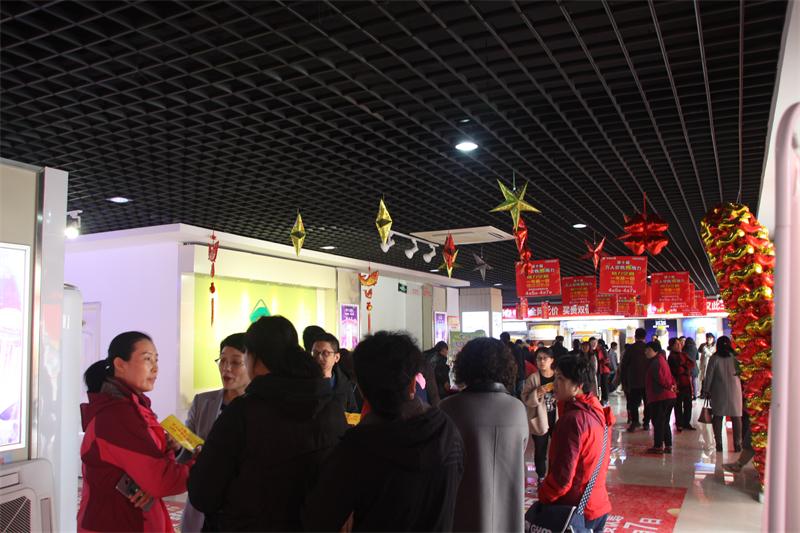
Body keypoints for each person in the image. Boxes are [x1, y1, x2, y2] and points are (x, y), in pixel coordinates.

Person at [188, 316, 348, 531]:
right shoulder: (331, 407)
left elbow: (203, 494)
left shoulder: (243, 413)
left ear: (255, 358)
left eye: (240, 359)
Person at [303, 332, 464, 531]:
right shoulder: (446, 429)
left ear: (361, 388)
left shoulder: (358, 447)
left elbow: (319, 517)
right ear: (413, 384)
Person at [78, 332, 191, 532]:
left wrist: (168, 449)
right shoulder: (117, 416)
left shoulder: (135, 407)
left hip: (137, 518)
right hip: (118, 523)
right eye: (147, 359)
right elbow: (161, 480)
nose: (155, 368)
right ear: (120, 364)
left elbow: (146, 464)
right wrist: (199, 465)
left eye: (156, 360)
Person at [438, 338, 527, 532]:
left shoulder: (448, 408)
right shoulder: (517, 409)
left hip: (463, 511)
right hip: (508, 514)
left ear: (464, 366)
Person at [180, 333, 250, 533]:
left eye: (235, 362)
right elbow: (186, 450)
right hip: (203, 502)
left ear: (252, 364)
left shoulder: (259, 409)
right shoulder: (203, 402)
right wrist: (177, 446)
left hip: (238, 507)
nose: (226, 368)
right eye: (222, 360)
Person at [538, 354, 613, 532]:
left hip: (573, 511)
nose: (554, 384)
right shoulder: (597, 412)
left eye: (561, 379)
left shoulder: (572, 420)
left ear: (578, 385)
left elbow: (562, 479)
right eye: (555, 378)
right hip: (597, 504)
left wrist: (543, 496)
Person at [522, 347, 558, 483]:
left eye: (545, 358)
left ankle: (554, 475)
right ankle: (541, 476)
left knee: (558, 449)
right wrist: (537, 392)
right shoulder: (533, 379)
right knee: (540, 450)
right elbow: (525, 398)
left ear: (551, 360)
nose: (542, 361)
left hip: (556, 418)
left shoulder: (558, 377)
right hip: (539, 419)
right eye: (539, 359)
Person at [701, 336, 743, 453]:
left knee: (718, 417)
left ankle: (719, 443)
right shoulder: (735, 357)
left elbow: (709, 375)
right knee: (736, 417)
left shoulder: (714, 358)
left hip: (718, 390)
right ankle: (737, 443)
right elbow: (742, 373)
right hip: (735, 390)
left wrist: (706, 390)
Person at [312, 332, 359, 413]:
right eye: (315, 353)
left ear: (336, 357)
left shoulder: (344, 384)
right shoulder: (305, 383)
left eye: (325, 353)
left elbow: (353, 412)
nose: (319, 357)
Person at [644, 341, 677, 454]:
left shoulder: (656, 362)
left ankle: (658, 446)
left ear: (656, 351)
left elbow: (662, 379)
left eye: (648, 350)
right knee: (664, 422)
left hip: (660, 396)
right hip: (667, 396)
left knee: (658, 422)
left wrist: (669, 386)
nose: (646, 352)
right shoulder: (661, 360)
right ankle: (668, 445)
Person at [619, 328, 650, 432]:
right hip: (647, 382)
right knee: (647, 403)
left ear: (635, 336)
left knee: (633, 404)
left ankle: (635, 422)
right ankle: (646, 423)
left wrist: (624, 382)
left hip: (633, 381)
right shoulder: (648, 348)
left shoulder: (630, 349)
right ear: (645, 336)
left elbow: (624, 366)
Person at [667, 337, 695, 432]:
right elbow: (677, 370)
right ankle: (679, 423)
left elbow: (691, 364)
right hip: (678, 384)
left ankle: (687, 422)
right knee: (678, 405)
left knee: (688, 404)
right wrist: (684, 367)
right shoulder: (671, 357)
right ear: (672, 346)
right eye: (677, 344)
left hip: (686, 383)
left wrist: (684, 367)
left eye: (679, 344)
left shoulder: (683, 354)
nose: (679, 345)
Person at [501, 332, 527, 397]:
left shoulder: (505, 349)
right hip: (520, 374)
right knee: (521, 394)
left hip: (512, 375)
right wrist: (524, 374)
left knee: (512, 394)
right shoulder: (518, 348)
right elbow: (523, 362)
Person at [590, 337, 611, 404]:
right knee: (596, 385)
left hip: (603, 370)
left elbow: (606, 359)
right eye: (592, 343)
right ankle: (596, 399)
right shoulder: (590, 351)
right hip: (596, 370)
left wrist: (601, 361)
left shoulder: (601, 350)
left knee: (604, 385)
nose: (593, 344)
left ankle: (605, 399)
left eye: (595, 343)